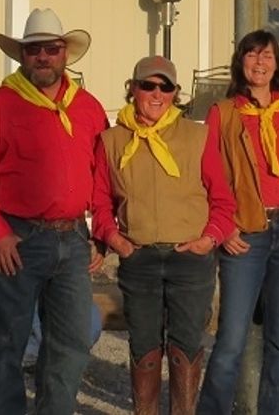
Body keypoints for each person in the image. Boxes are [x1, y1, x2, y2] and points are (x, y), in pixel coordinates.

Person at [0, 8, 107, 414]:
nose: (43, 57)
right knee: (8, 339)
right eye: (34, 50)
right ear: (22, 56)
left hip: (75, 236)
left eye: (51, 49)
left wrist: (101, 232)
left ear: (65, 54)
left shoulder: (88, 107)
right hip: (19, 236)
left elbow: (104, 176)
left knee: (73, 340)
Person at [92, 56, 234, 415]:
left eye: (165, 87)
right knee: (144, 346)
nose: (157, 94)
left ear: (175, 93)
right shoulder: (111, 140)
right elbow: (101, 201)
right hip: (138, 257)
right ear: (133, 89)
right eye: (148, 85)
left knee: (186, 346)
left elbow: (222, 198)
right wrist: (116, 239)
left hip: (189, 257)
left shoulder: (197, 136)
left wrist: (209, 239)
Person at [197, 30, 279, 415]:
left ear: (277, 63)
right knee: (231, 339)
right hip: (245, 234)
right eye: (252, 55)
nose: (260, 63)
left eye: (267, 55)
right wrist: (224, 227)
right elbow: (208, 175)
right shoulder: (224, 113)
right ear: (241, 63)